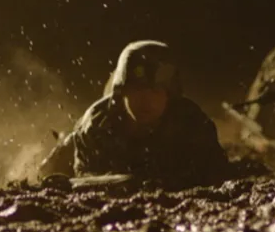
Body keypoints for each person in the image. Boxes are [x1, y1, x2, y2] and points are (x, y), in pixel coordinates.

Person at [39, 40, 231, 187]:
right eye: (137, 89)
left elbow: (217, 172)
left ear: (169, 95)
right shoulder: (96, 123)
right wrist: (129, 181)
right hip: (85, 148)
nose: (146, 100)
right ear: (121, 93)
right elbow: (83, 178)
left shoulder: (191, 122)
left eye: (155, 91)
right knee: (50, 170)